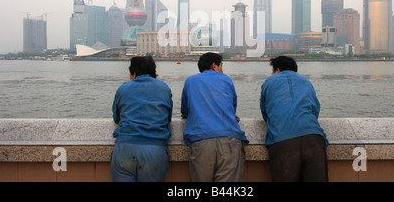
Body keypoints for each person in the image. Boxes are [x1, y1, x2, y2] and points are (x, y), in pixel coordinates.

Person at [181, 52, 248, 182]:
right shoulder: (226, 79)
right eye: (221, 65)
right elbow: (232, 106)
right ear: (214, 66)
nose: (222, 69)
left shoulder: (190, 80)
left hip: (201, 140)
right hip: (229, 138)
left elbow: (185, 110)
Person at [260, 56, 328, 182]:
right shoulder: (305, 81)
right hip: (314, 138)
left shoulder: (269, 81)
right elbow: (315, 108)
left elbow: (265, 113)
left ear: (277, 70)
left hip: (283, 140)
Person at [111, 56, 173, 182]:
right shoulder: (164, 88)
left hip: (124, 147)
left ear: (133, 73)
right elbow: (167, 118)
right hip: (154, 148)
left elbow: (116, 118)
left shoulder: (123, 88)